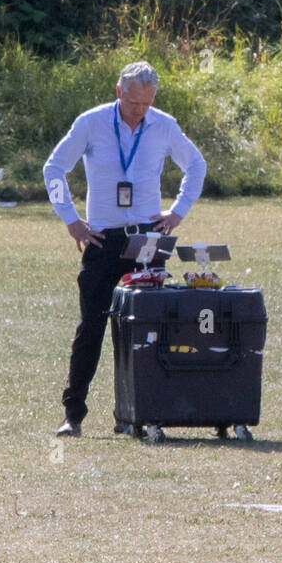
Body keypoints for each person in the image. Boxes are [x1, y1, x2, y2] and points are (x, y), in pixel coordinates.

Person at [43, 61, 206, 437]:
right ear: (120, 93)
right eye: (134, 104)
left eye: (147, 105)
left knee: (148, 328)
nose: (140, 112)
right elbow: (53, 169)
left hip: (148, 239)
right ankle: (74, 413)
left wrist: (177, 213)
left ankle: (140, 413)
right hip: (101, 238)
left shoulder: (164, 125)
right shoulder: (92, 122)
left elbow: (196, 166)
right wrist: (70, 219)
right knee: (92, 326)